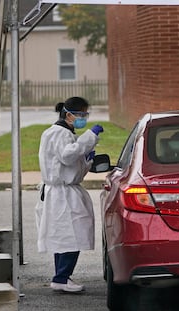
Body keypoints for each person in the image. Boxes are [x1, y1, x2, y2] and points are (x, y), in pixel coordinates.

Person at [35, 96, 103, 293]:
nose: (84, 118)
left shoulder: (63, 133)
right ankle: (61, 277)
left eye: (86, 114)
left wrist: (87, 161)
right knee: (72, 236)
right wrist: (90, 136)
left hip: (62, 191)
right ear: (69, 114)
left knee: (64, 237)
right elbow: (67, 156)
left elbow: (71, 162)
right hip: (61, 193)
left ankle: (62, 276)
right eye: (81, 114)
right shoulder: (59, 133)